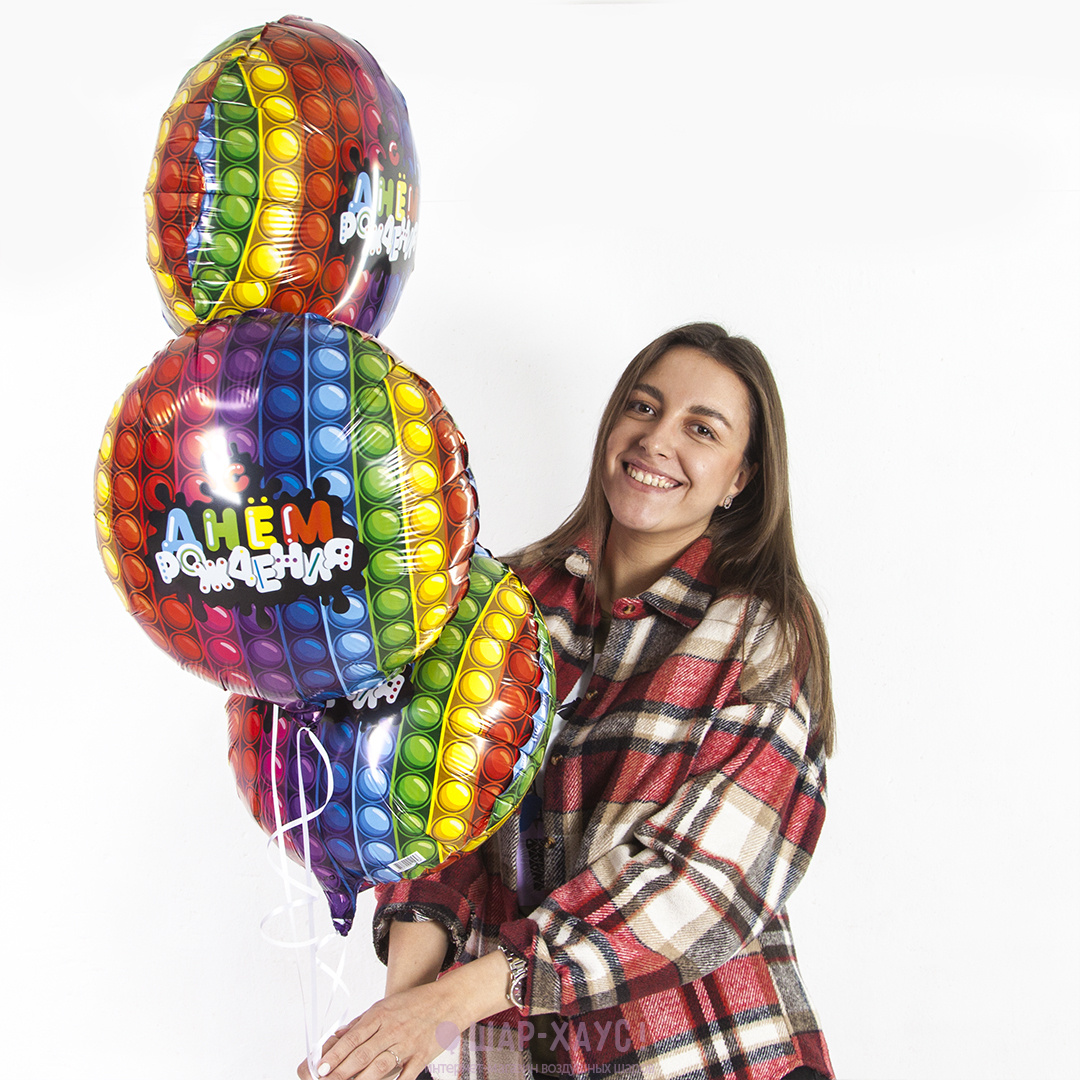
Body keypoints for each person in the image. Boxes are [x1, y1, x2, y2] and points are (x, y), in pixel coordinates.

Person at [300, 323, 835, 1080]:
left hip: (699, 1054)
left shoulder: (760, 634)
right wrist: (397, 1037)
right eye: (644, 407)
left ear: (740, 479)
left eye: (702, 429)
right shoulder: (502, 601)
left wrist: (447, 1005)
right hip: (519, 1059)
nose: (657, 440)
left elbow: (701, 885)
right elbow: (433, 824)